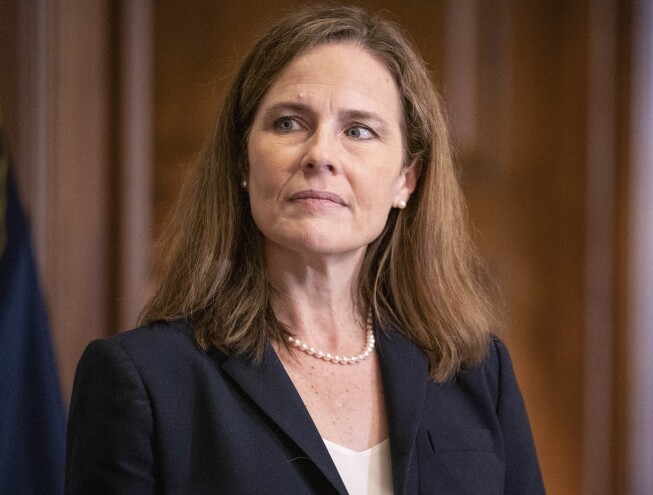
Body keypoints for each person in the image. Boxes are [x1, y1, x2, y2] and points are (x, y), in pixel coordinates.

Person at [65, 4, 544, 494]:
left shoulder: (477, 373)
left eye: (358, 130)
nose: (320, 155)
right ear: (242, 161)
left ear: (407, 179)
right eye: (289, 123)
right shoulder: (142, 379)